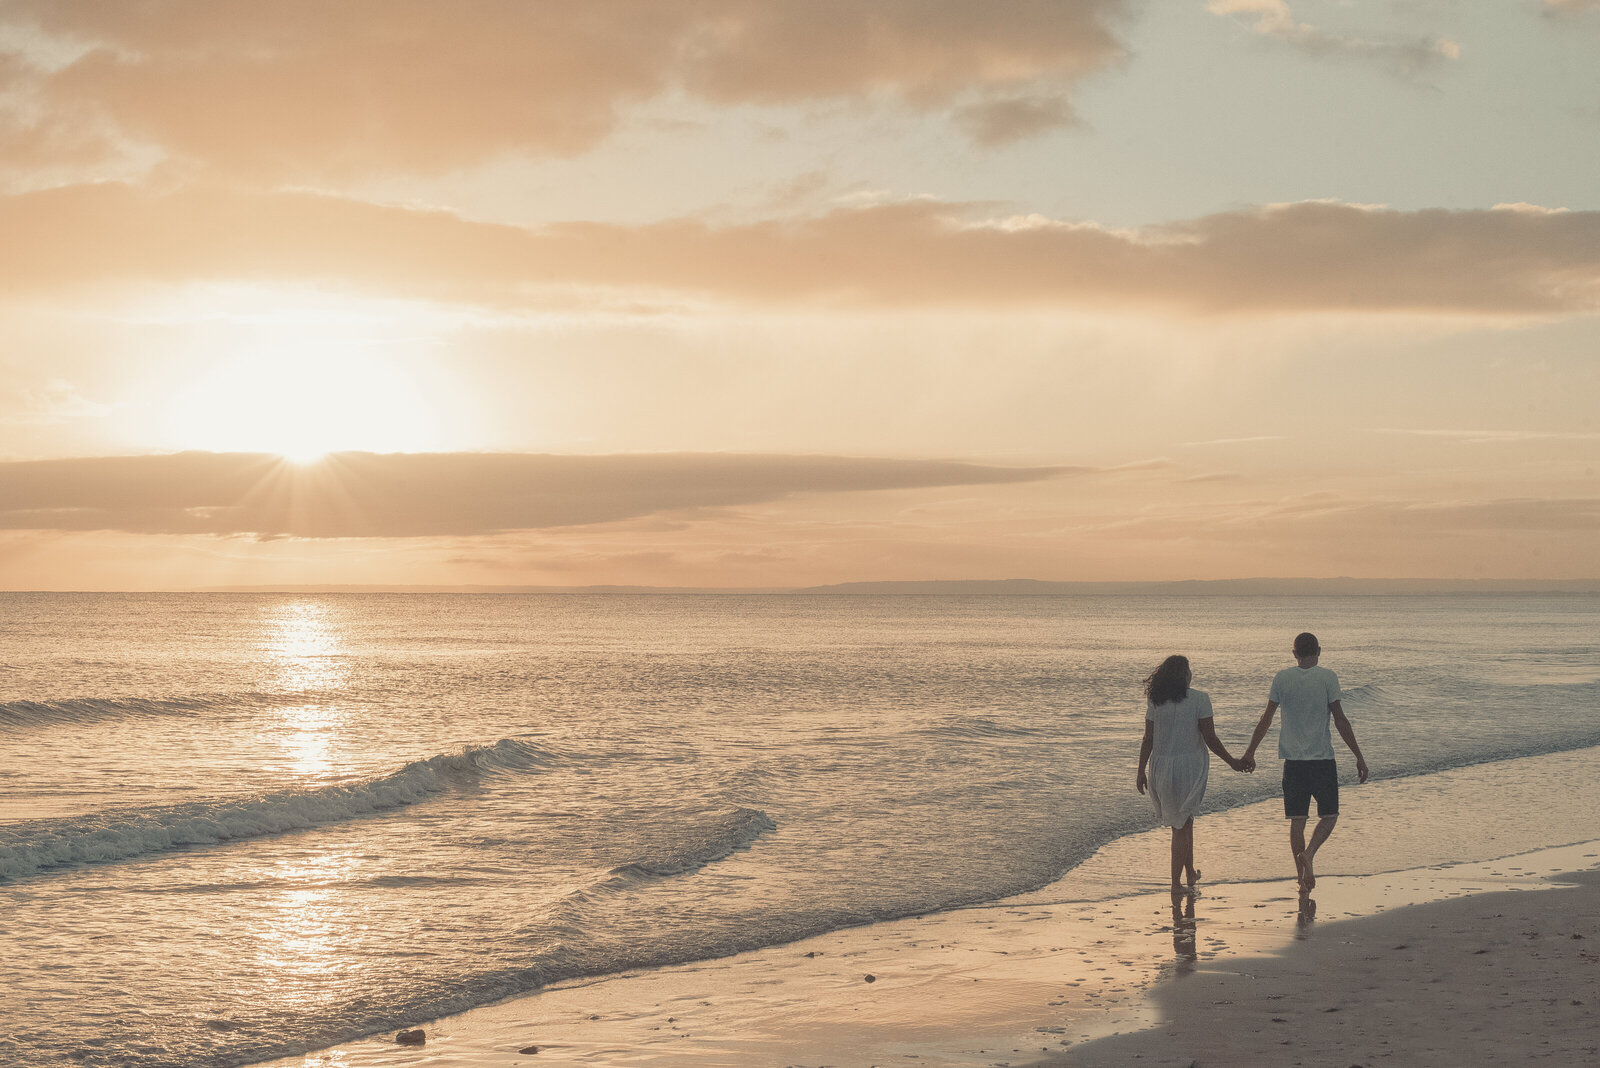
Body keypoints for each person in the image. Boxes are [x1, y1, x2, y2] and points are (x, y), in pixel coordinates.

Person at [1240, 632, 1369, 893]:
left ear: (1294, 653)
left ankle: (1301, 880)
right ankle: (1309, 854)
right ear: (1319, 651)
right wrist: (1359, 755)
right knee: (1330, 816)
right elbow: (1340, 719)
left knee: (1297, 821)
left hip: (1293, 762)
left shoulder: (1282, 678)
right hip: (1322, 760)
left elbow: (1266, 719)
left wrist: (1250, 752)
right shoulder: (1328, 677)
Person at [1136, 655, 1249, 895]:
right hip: (1189, 767)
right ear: (1184, 675)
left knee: (1185, 821)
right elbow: (1210, 738)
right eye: (1189, 670)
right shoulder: (1200, 699)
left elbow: (1148, 739)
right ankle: (1175, 884)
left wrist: (1140, 770)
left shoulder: (1156, 700)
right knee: (1181, 824)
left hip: (1161, 766)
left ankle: (1189, 873)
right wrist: (1232, 762)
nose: (1191, 673)